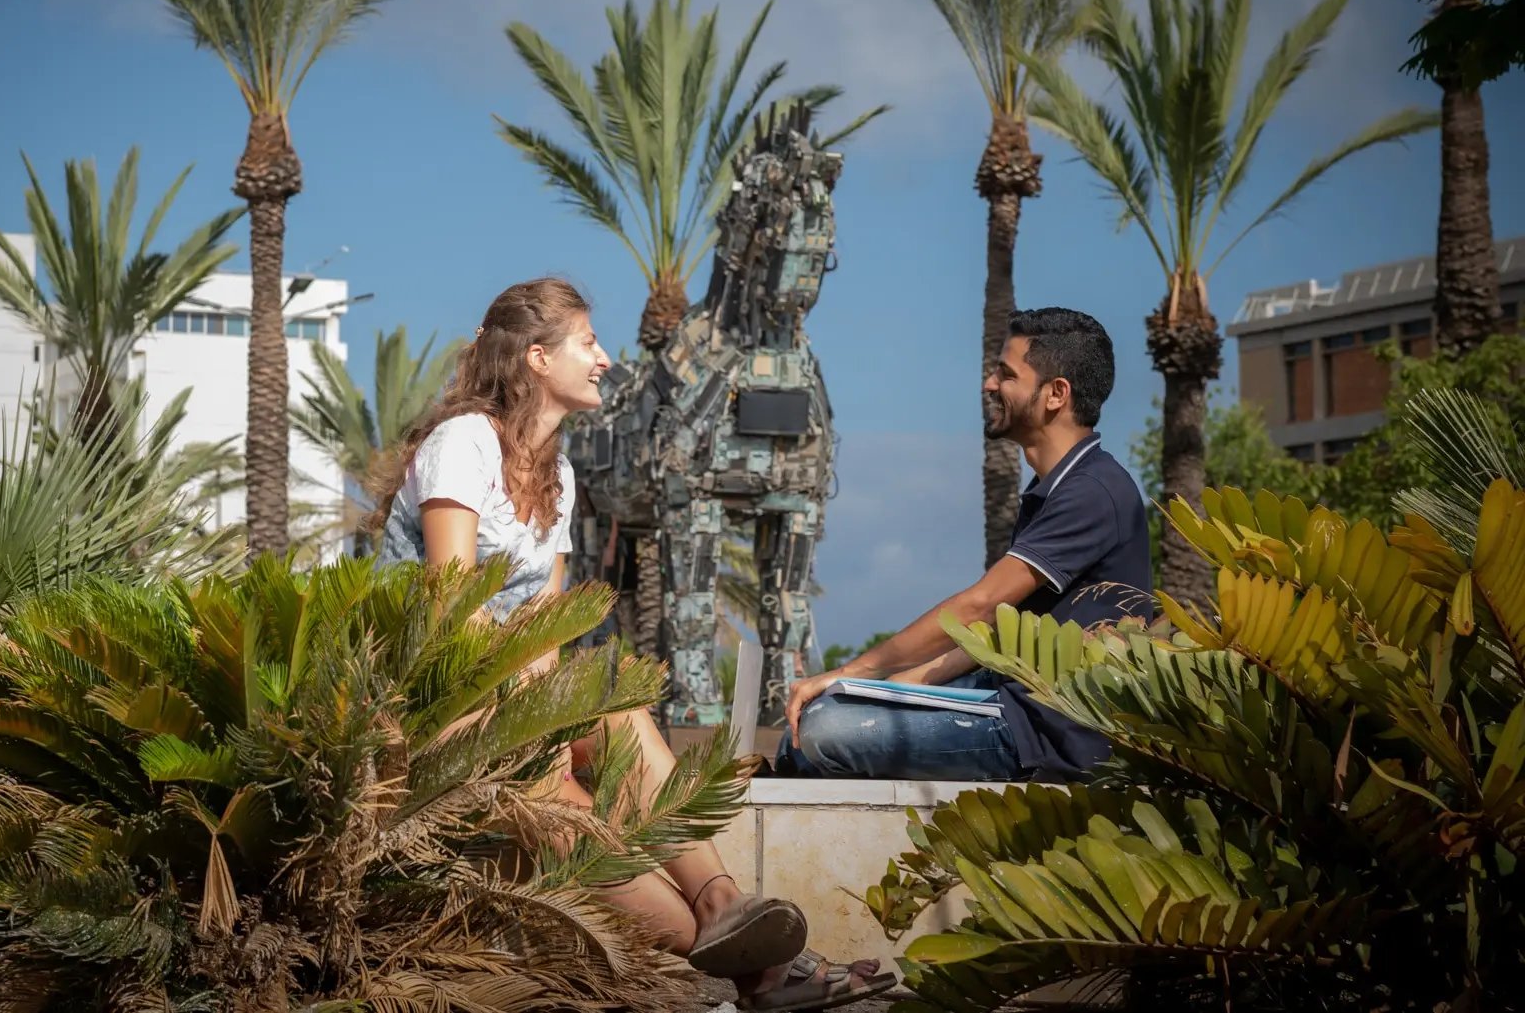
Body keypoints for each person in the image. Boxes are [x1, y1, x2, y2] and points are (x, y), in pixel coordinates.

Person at [370, 277, 892, 1012]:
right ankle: (761, 967)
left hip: (504, 704)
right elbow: (451, 608)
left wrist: (542, 717)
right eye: (588, 341)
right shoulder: (464, 444)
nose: (606, 357)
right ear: (537, 358)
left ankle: (724, 904)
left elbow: (545, 626)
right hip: (429, 705)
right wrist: (528, 724)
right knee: (664, 916)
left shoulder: (559, 475)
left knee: (616, 707)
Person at [779, 307, 1154, 783]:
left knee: (824, 728)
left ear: (1056, 394)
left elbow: (980, 606)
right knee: (814, 719)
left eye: (1007, 374)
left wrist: (861, 670)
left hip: (1049, 732)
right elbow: (997, 631)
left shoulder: (1093, 492)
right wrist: (900, 681)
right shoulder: (1057, 488)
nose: (989, 385)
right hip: (1012, 701)